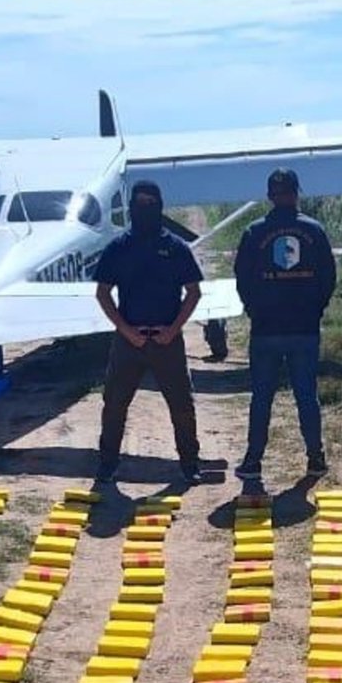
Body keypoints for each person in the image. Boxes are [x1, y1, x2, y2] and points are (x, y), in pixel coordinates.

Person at [93, 181, 204, 484]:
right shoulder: (118, 247)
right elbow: (103, 293)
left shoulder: (176, 247)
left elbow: (193, 292)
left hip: (167, 340)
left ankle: (189, 463)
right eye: (140, 204)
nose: (146, 210)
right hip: (129, 341)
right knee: (114, 404)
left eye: (151, 204)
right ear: (131, 208)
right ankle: (107, 462)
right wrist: (126, 331)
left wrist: (174, 329)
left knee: (181, 405)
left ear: (160, 206)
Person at [233, 168, 336, 483]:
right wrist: (314, 309)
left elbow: (242, 279)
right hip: (304, 328)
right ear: (296, 193)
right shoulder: (314, 231)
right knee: (306, 395)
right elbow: (328, 279)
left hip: (266, 329)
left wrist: (254, 309)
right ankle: (315, 457)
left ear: (269, 196)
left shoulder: (253, 232)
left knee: (262, 397)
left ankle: (253, 460)